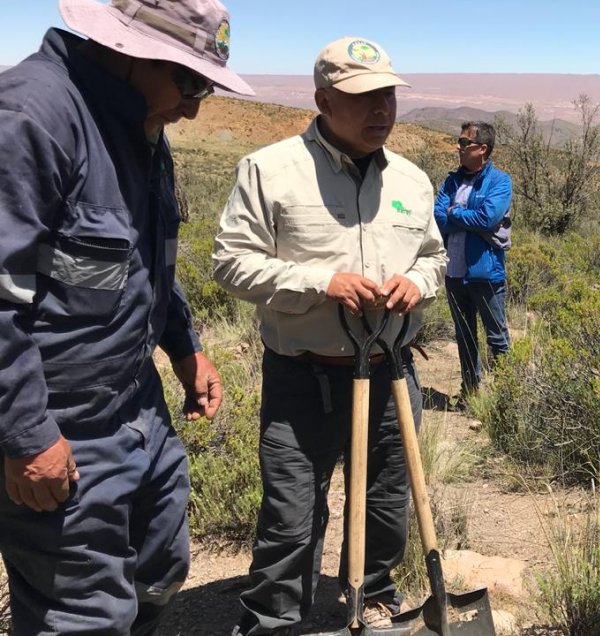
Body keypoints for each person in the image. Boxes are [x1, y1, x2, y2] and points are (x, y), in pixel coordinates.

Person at [0, 0, 251, 633]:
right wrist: (27, 435)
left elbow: (146, 256)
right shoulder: (33, 117)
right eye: (189, 81)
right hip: (60, 426)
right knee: (83, 617)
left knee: (160, 568)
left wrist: (185, 346)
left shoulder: (139, 124)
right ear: (129, 50)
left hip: (138, 406)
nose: (193, 106)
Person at [213, 36, 446, 635]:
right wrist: (321, 282)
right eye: (364, 98)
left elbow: (434, 258)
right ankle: (273, 618)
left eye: (388, 95)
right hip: (303, 374)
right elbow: (230, 263)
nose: (382, 110)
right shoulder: (270, 170)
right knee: (292, 511)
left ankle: (372, 595)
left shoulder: (414, 180)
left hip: (393, 369)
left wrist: (418, 283)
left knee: (389, 498)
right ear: (322, 99)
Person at [434, 121, 513, 405]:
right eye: (460, 142)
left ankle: (508, 398)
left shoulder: (500, 182)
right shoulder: (451, 180)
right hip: (454, 272)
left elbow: (488, 218)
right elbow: (437, 216)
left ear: (482, 149)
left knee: (497, 338)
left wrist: (455, 212)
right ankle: (471, 394)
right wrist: (462, 215)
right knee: (464, 336)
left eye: (464, 143)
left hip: (486, 272)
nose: (459, 147)